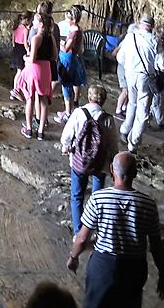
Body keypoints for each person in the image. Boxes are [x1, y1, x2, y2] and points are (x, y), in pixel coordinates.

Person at [67, 152, 164, 307]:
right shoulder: (148, 204)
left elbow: (82, 239)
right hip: (134, 268)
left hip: (103, 266)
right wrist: (163, 275)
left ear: (111, 170)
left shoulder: (98, 199)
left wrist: (73, 257)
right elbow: (156, 245)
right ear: (135, 173)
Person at [60, 84, 119, 234]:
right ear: (103, 101)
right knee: (97, 198)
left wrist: (65, 146)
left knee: (77, 196)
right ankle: (95, 229)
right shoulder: (108, 119)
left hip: (79, 161)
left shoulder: (79, 113)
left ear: (89, 97)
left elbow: (67, 135)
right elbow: (113, 143)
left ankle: (78, 232)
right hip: (100, 163)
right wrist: (113, 162)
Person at [117, 16, 164, 153]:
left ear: (140, 24)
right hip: (145, 77)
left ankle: (125, 130)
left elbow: (120, 57)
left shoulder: (130, 37)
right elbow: (162, 64)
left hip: (129, 74)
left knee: (132, 102)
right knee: (143, 110)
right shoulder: (155, 40)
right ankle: (133, 144)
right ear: (151, 26)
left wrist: (130, 65)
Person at [17, 12, 55, 140]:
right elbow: (54, 56)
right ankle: (40, 132)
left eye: (35, 21)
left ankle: (28, 129)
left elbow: (32, 59)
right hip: (46, 69)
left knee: (30, 99)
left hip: (35, 70)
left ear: (41, 24)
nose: (33, 22)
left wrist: (24, 57)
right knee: (43, 101)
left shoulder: (36, 38)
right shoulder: (51, 38)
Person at [56, 7, 87, 122]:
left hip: (67, 59)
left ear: (73, 19)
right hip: (71, 58)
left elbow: (66, 48)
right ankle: (69, 109)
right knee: (69, 83)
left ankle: (68, 113)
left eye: (68, 18)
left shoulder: (74, 32)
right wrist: (61, 37)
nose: (66, 20)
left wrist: (57, 41)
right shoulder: (75, 30)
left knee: (66, 84)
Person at [10, 11, 33, 89]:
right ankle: (16, 89)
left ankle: (16, 88)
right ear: (27, 20)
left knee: (18, 71)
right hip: (22, 51)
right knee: (21, 71)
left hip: (16, 49)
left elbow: (13, 42)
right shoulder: (25, 30)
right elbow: (25, 43)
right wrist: (28, 52)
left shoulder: (15, 28)